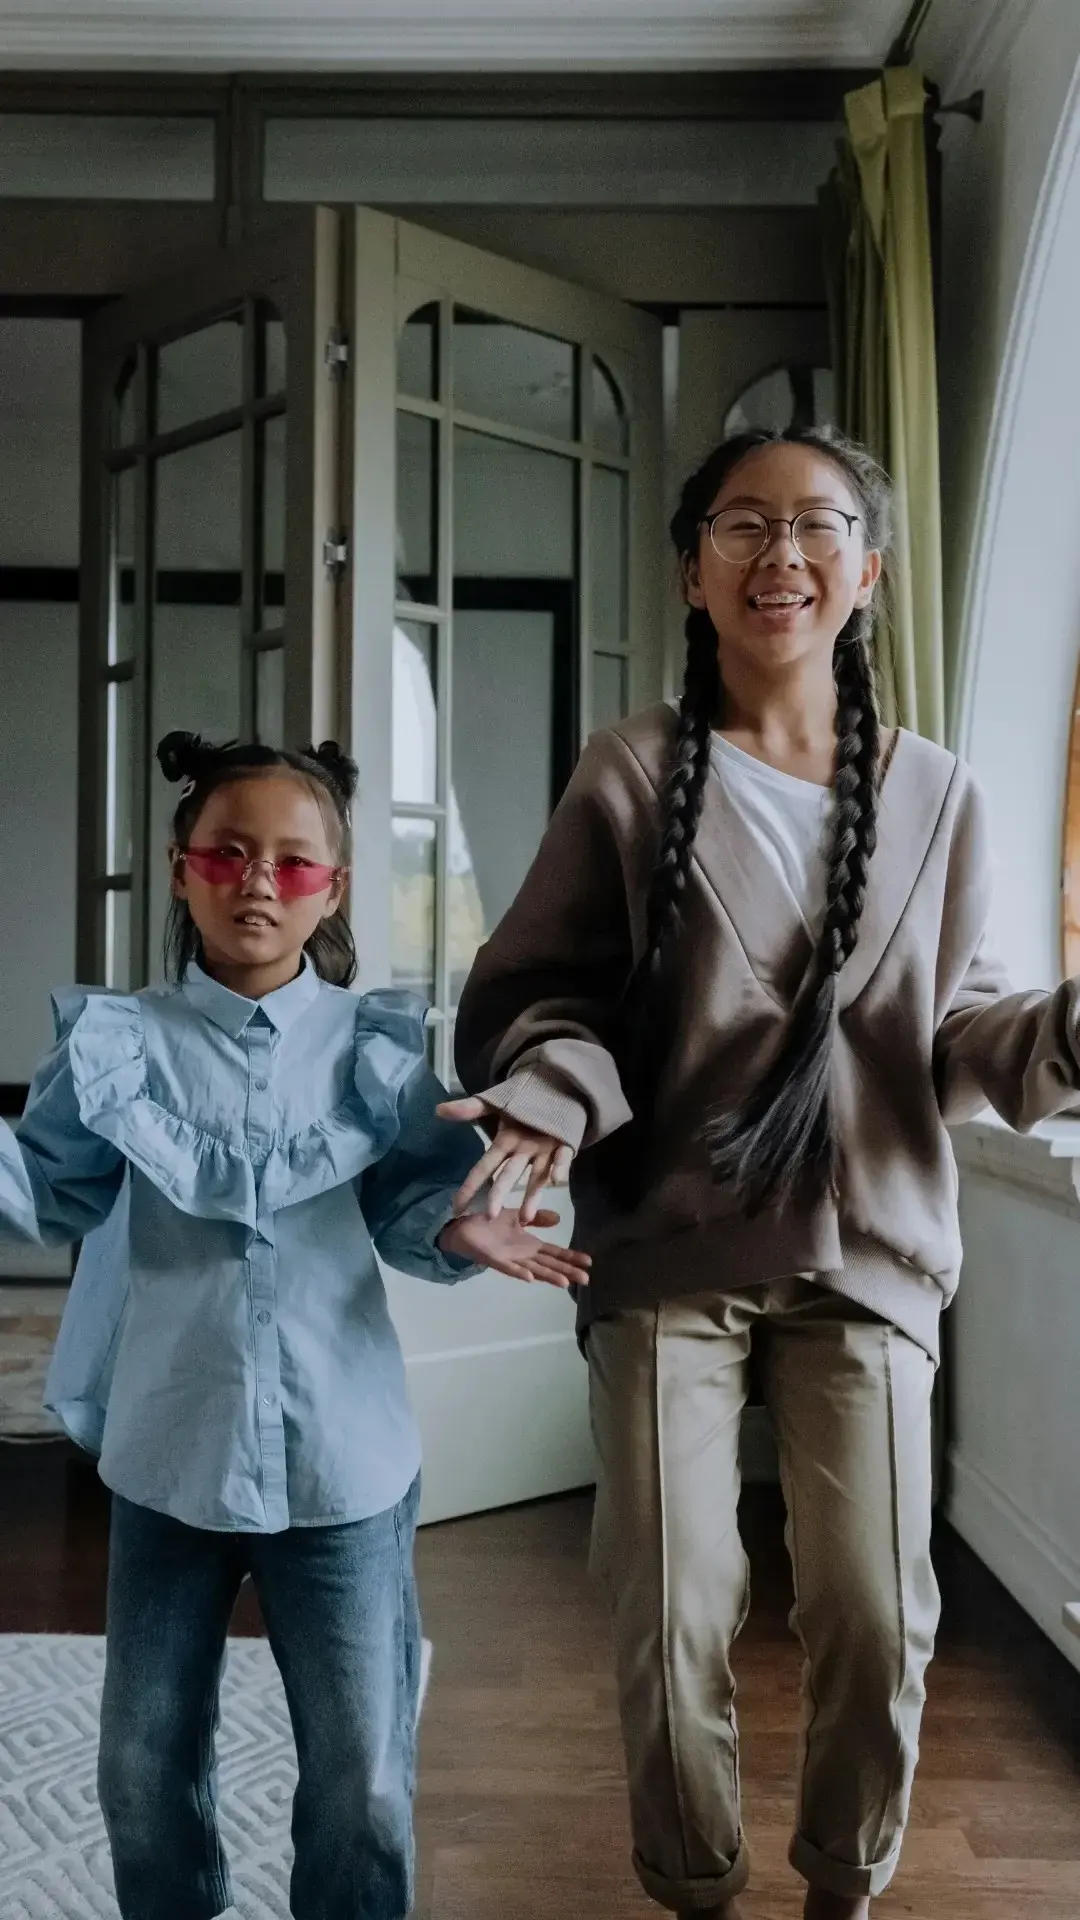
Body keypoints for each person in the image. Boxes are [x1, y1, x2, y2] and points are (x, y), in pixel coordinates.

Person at [441, 426, 1080, 1920]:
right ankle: (698, 1889)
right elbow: (545, 997)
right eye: (742, 524)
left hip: (871, 1257)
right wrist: (550, 1098)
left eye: (817, 525)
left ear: (868, 570)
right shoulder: (630, 773)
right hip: (669, 1248)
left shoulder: (941, 794)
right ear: (693, 571)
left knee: (874, 1613)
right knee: (668, 1611)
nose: (780, 554)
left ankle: (845, 1885)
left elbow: (969, 1036)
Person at [0, 730, 588, 1920]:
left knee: (362, 1777)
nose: (258, 882)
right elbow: (48, 1190)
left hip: (343, 1466)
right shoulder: (117, 1048)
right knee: (139, 1767)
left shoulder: (376, 1052)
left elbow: (415, 1206)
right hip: (169, 1457)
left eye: (294, 862)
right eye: (227, 854)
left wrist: (458, 1232)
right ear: (182, 870)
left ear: (334, 888)